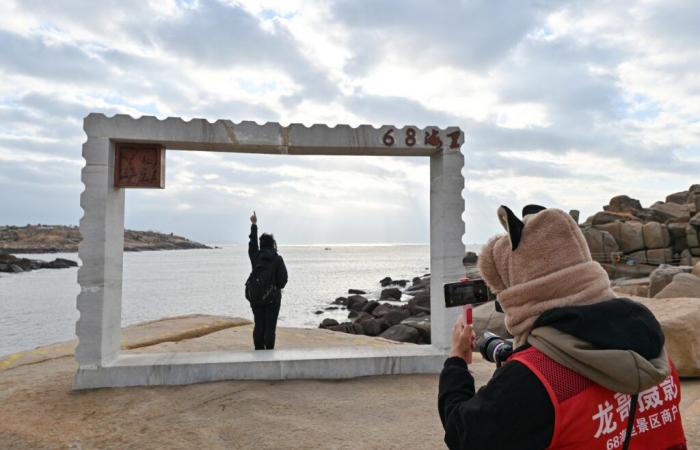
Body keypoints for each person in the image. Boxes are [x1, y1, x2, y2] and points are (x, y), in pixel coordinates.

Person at [438, 205, 686, 450]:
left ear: (520, 291)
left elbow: (463, 435)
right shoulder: (656, 350)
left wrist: (456, 361)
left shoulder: (535, 378)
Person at [247, 211, 287, 350]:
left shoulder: (256, 256)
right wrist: (275, 287)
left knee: (259, 325)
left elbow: (252, 245)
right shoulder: (277, 259)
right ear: (272, 244)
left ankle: (258, 353)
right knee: (270, 328)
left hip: (256, 298)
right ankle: (269, 355)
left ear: (261, 244)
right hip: (272, 300)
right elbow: (283, 280)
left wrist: (254, 225)